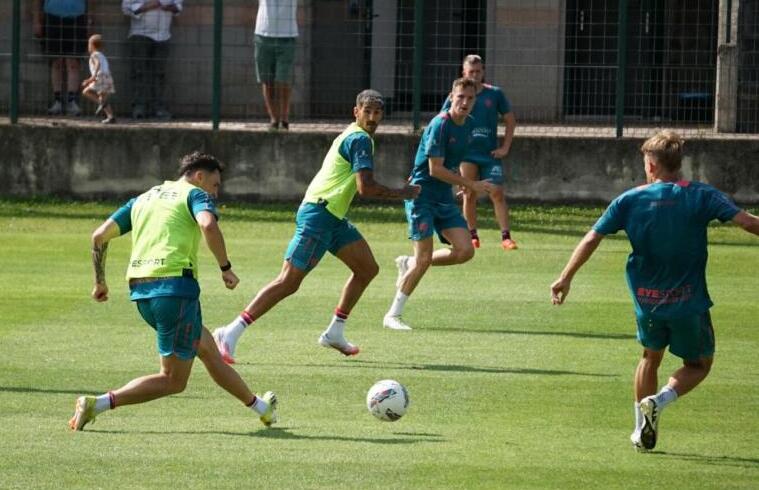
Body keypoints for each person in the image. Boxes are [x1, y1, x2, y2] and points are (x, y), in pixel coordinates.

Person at [550, 130, 759, 451]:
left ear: (650, 164)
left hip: (647, 301)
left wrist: (565, 277)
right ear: (679, 163)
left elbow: (592, 237)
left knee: (650, 356)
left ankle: (641, 431)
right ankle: (660, 400)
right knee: (699, 365)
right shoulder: (702, 195)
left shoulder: (630, 200)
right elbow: (747, 222)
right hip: (689, 302)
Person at [68, 151, 278, 431]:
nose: (215, 194)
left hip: (142, 291)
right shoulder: (194, 194)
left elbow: (99, 236)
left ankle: (262, 409)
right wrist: (225, 267)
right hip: (175, 289)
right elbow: (207, 224)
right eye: (215, 185)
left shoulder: (143, 198)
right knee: (173, 380)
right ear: (199, 176)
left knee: (208, 349)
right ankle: (98, 403)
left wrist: (100, 282)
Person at [212, 90, 420, 363]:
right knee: (288, 281)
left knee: (367, 268)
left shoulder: (357, 136)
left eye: (377, 112)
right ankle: (229, 332)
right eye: (366, 111)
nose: (372, 117)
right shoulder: (359, 139)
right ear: (355, 112)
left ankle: (335, 332)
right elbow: (365, 188)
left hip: (332, 218)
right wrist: (402, 193)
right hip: (319, 214)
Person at [383, 78, 497, 331]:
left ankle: (408, 264)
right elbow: (435, 169)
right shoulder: (439, 125)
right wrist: (471, 184)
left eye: (470, 98)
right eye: (460, 97)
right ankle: (392, 314)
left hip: (443, 198)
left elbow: (451, 163)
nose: (465, 102)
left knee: (465, 251)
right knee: (423, 259)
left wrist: (459, 184)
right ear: (451, 97)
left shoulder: (469, 125)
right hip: (421, 197)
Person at [442, 54, 517, 250]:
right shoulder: (457, 96)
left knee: (497, 192)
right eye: (471, 72)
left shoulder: (495, 94)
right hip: (467, 155)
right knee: (469, 193)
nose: (475, 75)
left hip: (489, 154)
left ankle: (506, 237)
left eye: (478, 71)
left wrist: (505, 147)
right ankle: (472, 235)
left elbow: (510, 120)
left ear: (483, 71)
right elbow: (444, 119)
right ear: (464, 73)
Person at [122, 0, 182, 120]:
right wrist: (147, 7)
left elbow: (178, 7)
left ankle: (159, 108)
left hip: (163, 35)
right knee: (139, 73)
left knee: (159, 74)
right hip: (140, 34)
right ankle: (139, 107)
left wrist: (168, 7)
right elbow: (125, 8)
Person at [33, 0, 88, 116]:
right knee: (56, 62)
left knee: (73, 62)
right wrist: (37, 20)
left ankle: (71, 101)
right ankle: (57, 101)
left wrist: (91, 21)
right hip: (53, 17)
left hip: (77, 18)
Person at [254, 0, 298, 131]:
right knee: (267, 80)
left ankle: (284, 118)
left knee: (283, 79)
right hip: (263, 33)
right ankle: (274, 119)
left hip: (287, 34)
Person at [81, 34, 116, 124]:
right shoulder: (102, 55)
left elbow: (97, 64)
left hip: (100, 77)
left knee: (86, 91)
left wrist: (91, 78)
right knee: (102, 98)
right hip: (107, 77)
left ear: (92, 46)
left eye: (88, 44)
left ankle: (102, 106)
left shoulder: (94, 55)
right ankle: (110, 116)